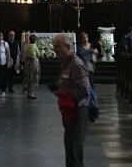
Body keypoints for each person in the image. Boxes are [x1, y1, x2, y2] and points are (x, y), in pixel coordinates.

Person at [51, 34, 91, 167]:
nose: (55, 49)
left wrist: (66, 93)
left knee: (75, 149)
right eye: (54, 47)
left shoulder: (76, 64)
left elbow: (85, 90)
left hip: (79, 110)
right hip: (70, 110)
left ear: (68, 47)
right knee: (70, 147)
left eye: (58, 46)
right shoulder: (65, 63)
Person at [0, 31, 10, 98]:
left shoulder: (5, 43)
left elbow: (8, 52)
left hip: (3, 62)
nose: (0, 37)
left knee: (2, 77)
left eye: (1, 36)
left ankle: (1, 91)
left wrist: (8, 61)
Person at [24, 34, 40, 99]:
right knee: (33, 78)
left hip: (27, 63)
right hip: (33, 64)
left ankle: (28, 92)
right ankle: (31, 93)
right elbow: (38, 55)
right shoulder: (34, 46)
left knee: (28, 78)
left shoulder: (27, 45)